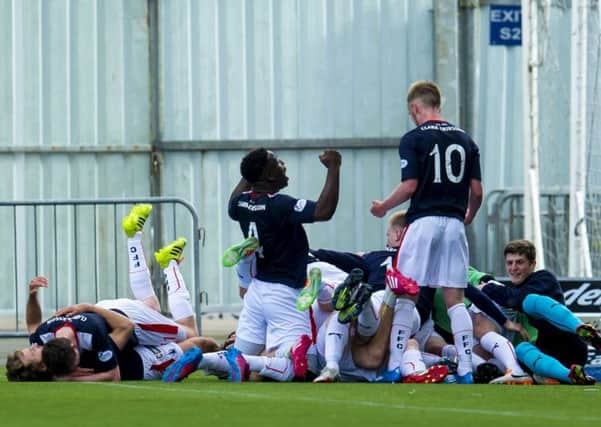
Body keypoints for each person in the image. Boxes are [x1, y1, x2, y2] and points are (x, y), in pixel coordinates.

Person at [370, 80, 483, 383]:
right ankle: (466, 369)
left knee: (407, 294)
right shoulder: (466, 139)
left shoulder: (413, 138)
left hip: (423, 222)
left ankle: (395, 365)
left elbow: (410, 186)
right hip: (455, 224)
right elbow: (477, 191)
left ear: (415, 108)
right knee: (455, 299)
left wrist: (383, 206)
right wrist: (469, 214)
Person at [226, 148, 341, 372]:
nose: (283, 165)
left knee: (236, 360)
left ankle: (203, 360)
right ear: (268, 174)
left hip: (257, 290)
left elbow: (231, 203)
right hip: (285, 291)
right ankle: (283, 353)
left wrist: (250, 172)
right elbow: (323, 211)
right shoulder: (280, 204)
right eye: (277, 162)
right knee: (307, 367)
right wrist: (334, 168)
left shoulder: (240, 203)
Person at [480, 239, 601, 385]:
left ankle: (582, 330)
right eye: (509, 263)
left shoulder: (544, 278)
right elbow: (509, 296)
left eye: (519, 262)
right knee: (521, 349)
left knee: (530, 300)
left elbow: (514, 299)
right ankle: (570, 376)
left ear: (532, 264)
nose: (514, 267)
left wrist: (487, 288)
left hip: (570, 345)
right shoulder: (512, 290)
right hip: (548, 351)